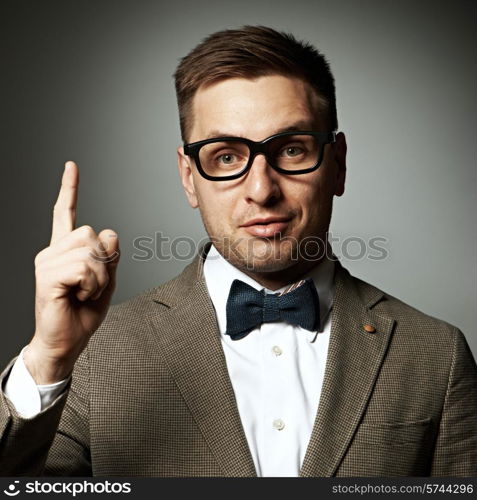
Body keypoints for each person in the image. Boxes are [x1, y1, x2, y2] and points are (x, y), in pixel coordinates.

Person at [0, 26, 476, 477]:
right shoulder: (93, 353)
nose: (261, 189)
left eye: (291, 149)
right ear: (189, 177)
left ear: (339, 165)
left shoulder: (437, 355)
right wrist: (49, 359)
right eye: (226, 156)